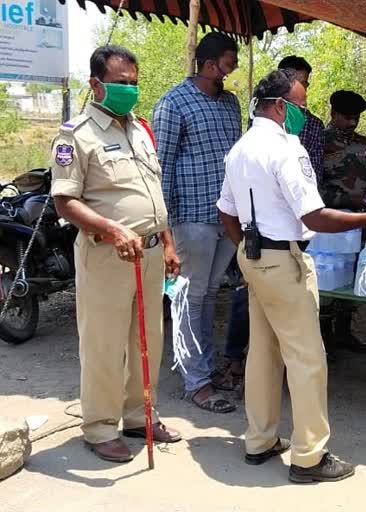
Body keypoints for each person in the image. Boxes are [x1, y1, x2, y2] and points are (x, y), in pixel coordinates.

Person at [217, 69, 366, 483]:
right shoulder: (286, 148)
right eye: (300, 106)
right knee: (307, 358)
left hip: (254, 257)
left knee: (262, 352)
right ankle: (309, 457)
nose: (304, 113)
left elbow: (225, 210)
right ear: (280, 106)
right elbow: (314, 215)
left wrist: (245, 250)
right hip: (284, 260)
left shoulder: (240, 148)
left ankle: (259, 440)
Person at [51, 45, 182, 463]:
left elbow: (152, 193)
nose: (130, 90)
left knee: (148, 341)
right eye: (120, 83)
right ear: (95, 85)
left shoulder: (140, 130)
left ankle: (140, 415)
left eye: (134, 83)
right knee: (104, 344)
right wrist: (111, 228)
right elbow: (64, 201)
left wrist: (167, 242)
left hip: (149, 254)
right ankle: (100, 426)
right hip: (107, 254)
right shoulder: (77, 135)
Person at [153, 32, 241, 414]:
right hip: (191, 216)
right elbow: (162, 167)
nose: (233, 67)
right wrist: (165, 229)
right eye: (229, 61)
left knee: (208, 295)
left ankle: (203, 368)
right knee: (190, 296)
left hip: (226, 217)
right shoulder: (173, 104)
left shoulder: (230, 103)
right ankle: (196, 382)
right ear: (209, 64)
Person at [321, 90, 366, 355]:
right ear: (333, 114)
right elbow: (314, 187)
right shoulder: (319, 142)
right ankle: (324, 338)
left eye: (356, 118)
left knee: (353, 276)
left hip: (358, 221)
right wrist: (347, 198)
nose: (352, 123)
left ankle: (345, 332)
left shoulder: (362, 143)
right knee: (328, 279)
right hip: (328, 224)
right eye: (347, 117)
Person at [278, 56, 325, 186]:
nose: (304, 88)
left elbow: (315, 174)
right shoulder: (261, 116)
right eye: (300, 83)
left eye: (305, 84)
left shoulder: (314, 125)